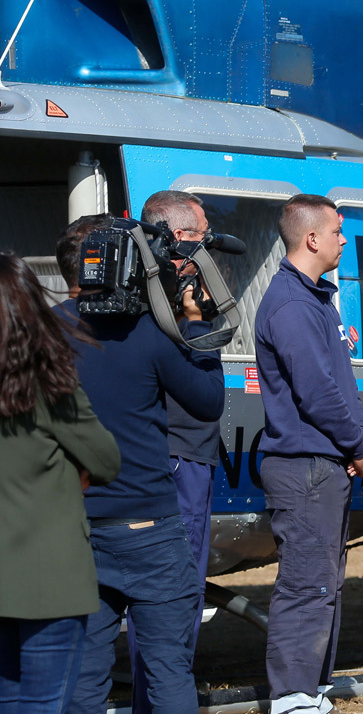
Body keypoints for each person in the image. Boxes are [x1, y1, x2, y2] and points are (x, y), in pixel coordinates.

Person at [65, 215, 225, 714]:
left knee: (83, 676)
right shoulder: (153, 332)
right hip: (150, 528)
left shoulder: (46, 328)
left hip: (76, 527)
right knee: (167, 670)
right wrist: (195, 323)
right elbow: (207, 401)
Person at [254, 194, 363, 714]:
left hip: (320, 465)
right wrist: (360, 447)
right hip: (304, 467)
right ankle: (292, 696)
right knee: (307, 581)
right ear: (311, 238)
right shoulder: (291, 303)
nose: (343, 240)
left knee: (323, 580)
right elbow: (318, 392)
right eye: (337, 232)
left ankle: (310, 685)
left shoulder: (312, 299)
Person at [0, 253, 120, 714]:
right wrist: (72, 469)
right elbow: (106, 460)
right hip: (50, 579)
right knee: (46, 703)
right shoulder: (50, 386)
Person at [125, 190, 221, 714]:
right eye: (203, 235)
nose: (210, 245)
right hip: (179, 456)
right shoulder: (165, 297)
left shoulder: (134, 286)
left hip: (178, 455)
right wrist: (196, 316)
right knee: (172, 599)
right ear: (181, 238)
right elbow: (200, 387)